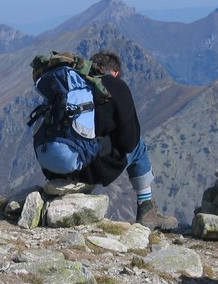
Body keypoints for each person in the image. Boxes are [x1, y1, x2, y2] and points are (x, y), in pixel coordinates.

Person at [71, 51, 176, 230]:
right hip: (92, 167)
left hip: (64, 163)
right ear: (116, 73)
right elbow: (129, 141)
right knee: (139, 143)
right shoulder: (117, 86)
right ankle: (147, 210)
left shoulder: (76, 85)